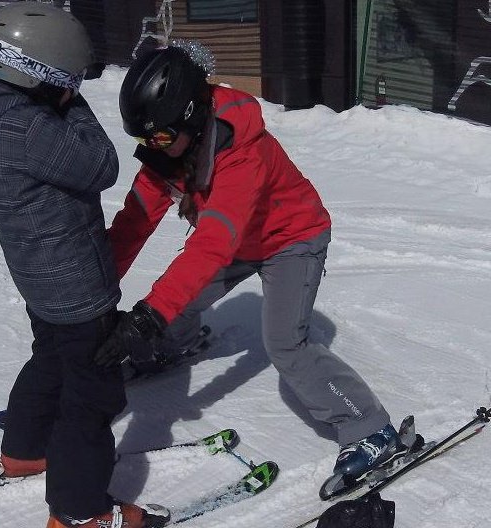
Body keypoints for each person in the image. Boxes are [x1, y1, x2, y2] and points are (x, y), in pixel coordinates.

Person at [94, 44, 406, 498]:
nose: (152, 148)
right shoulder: (174, 145)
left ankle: (369, 428)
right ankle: (168, 348)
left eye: (159, 137)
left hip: (291, 240)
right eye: (145, 140)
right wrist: (98, 285)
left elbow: (213, 244)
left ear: (189, 117)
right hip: (239, 238)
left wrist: (147, 316)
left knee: (285, 346)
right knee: (181, 300)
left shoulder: (242, 149)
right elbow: (135, 221)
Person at [0, 4, 169, 528]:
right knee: (91, 395)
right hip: (75, 286)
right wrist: (74, 101)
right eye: (67, 80)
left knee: (50, 358)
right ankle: (81, 511)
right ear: (44, 77)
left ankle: (23, 451)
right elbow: (102, 165)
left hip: (40, 278)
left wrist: (57, 94)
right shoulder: (30, 130)